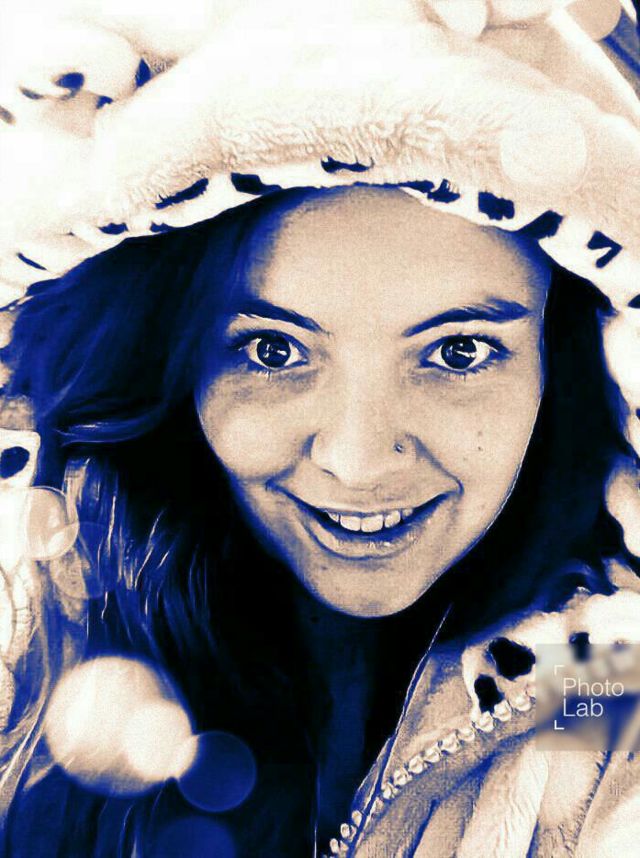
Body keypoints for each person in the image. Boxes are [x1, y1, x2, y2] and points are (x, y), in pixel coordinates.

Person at [0, 183, 627, 857]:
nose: (358, 463)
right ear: (170, 360)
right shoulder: (23, 651)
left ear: (562, 361)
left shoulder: (605, 684)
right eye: (273, 350)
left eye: (459, 352)